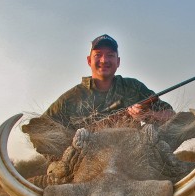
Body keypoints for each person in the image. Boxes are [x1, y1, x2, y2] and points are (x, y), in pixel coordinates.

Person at [43, 34, 175, 128]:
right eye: (98, 55)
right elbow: (40, 128)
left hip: (131, 158)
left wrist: (147, 114)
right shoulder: (71, 97)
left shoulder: (134, 87)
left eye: (110, 55)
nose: (104, 60)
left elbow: (170, 115)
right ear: (89, 60)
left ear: (118, 62)